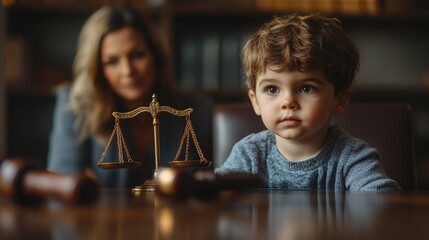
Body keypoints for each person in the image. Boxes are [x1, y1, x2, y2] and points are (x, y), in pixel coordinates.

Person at [215, 14, 401, 191]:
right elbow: (213, 195)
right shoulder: (249, 155)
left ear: (340, 100)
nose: (288, 102)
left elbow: (381, 201)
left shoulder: (353, 157)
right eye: (272, 89)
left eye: (306, 88)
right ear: (255, 101)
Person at [47, 5, 212, 189]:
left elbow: (211, 182)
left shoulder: (196, 110)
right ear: (98, 69)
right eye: (112, 61)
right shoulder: (75, 105)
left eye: (137, 55)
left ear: (155, 56)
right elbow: (62, 180)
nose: (128, 71)